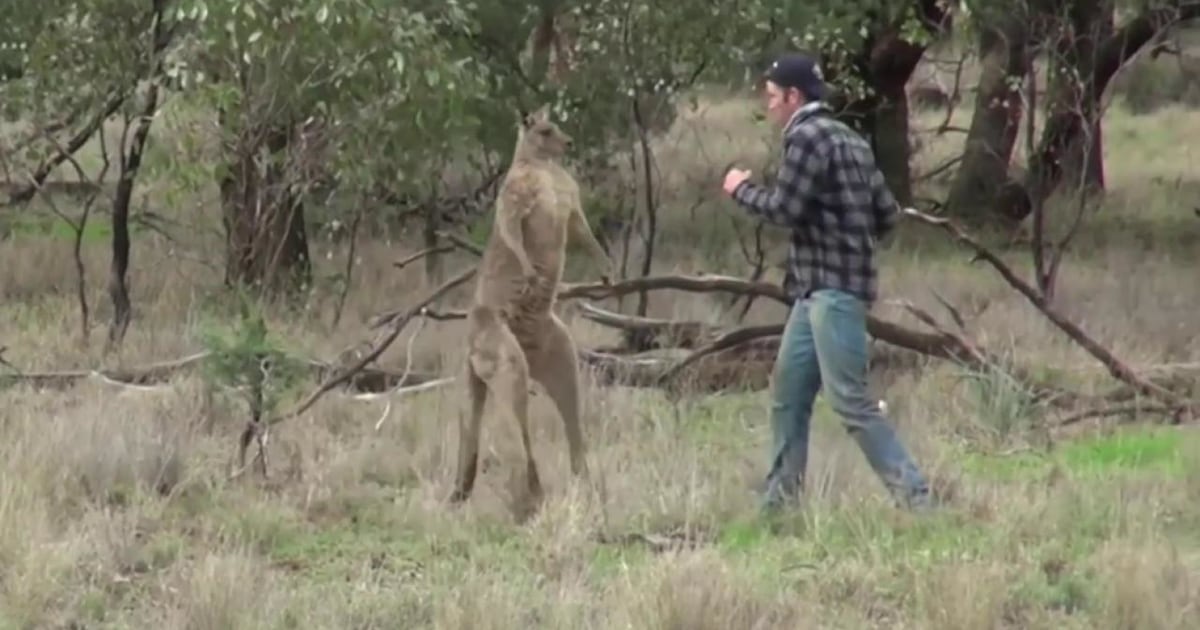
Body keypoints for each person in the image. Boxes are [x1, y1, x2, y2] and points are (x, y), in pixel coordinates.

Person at [721, 52, 932, 512]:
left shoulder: (805, 137)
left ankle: (917, 499)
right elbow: (886, 214)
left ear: (794, 97)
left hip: (832, 292)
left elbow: (785, 209)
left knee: (851, 401)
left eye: (772, 97)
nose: (768, 105)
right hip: (816, 291)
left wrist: (740, 189)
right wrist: (848, 234)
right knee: (788, 395)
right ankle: (780, 502)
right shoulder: (849, 138)